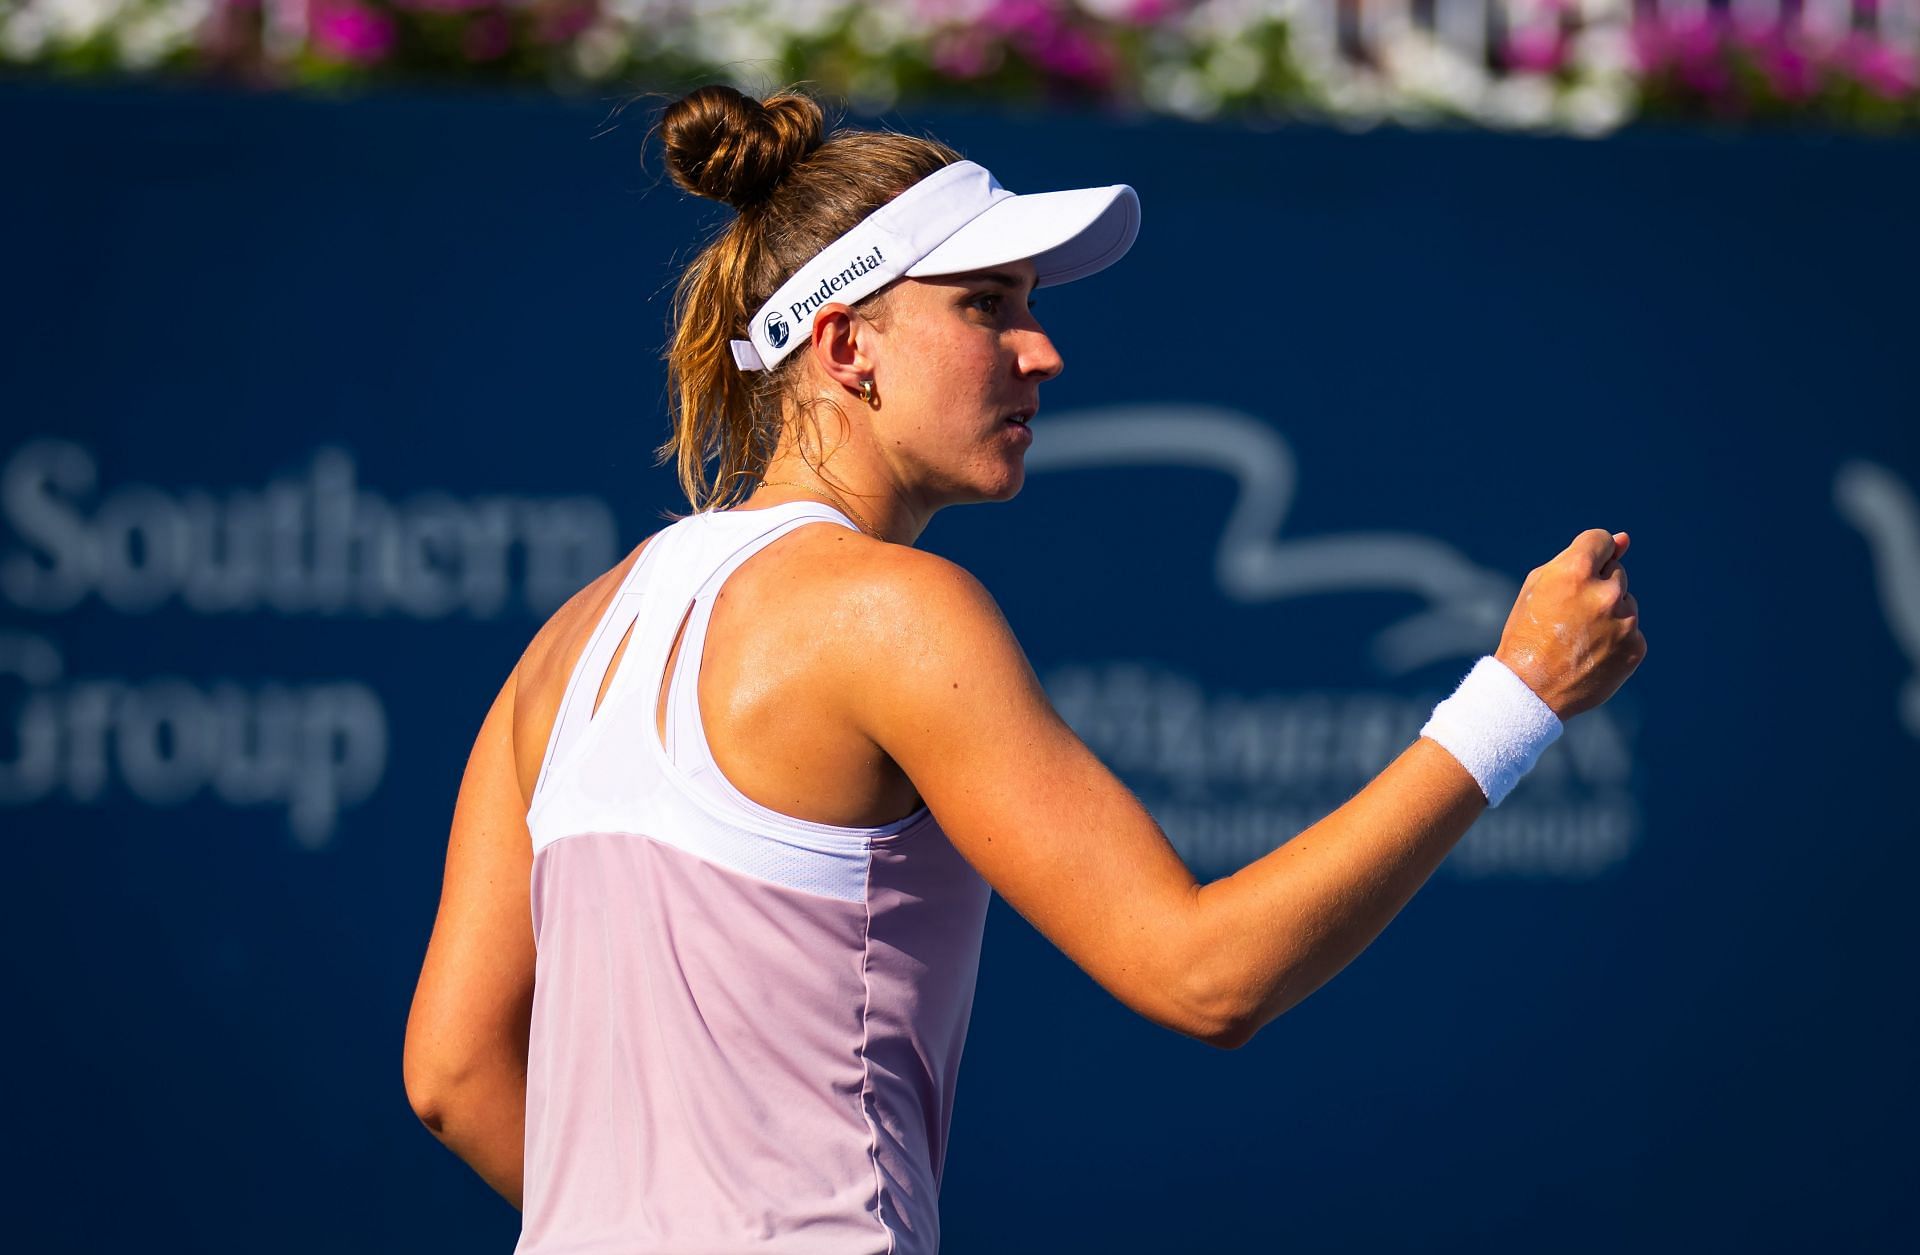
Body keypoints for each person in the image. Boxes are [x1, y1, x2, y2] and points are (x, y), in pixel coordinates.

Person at [402, 84, 1646, 1254]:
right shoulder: (896, 613)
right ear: (847, 347)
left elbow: (452, 1073)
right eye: (986, 304)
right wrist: (1519, 696)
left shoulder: (564, 642)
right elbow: (1207, 975)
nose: (1040, 350)